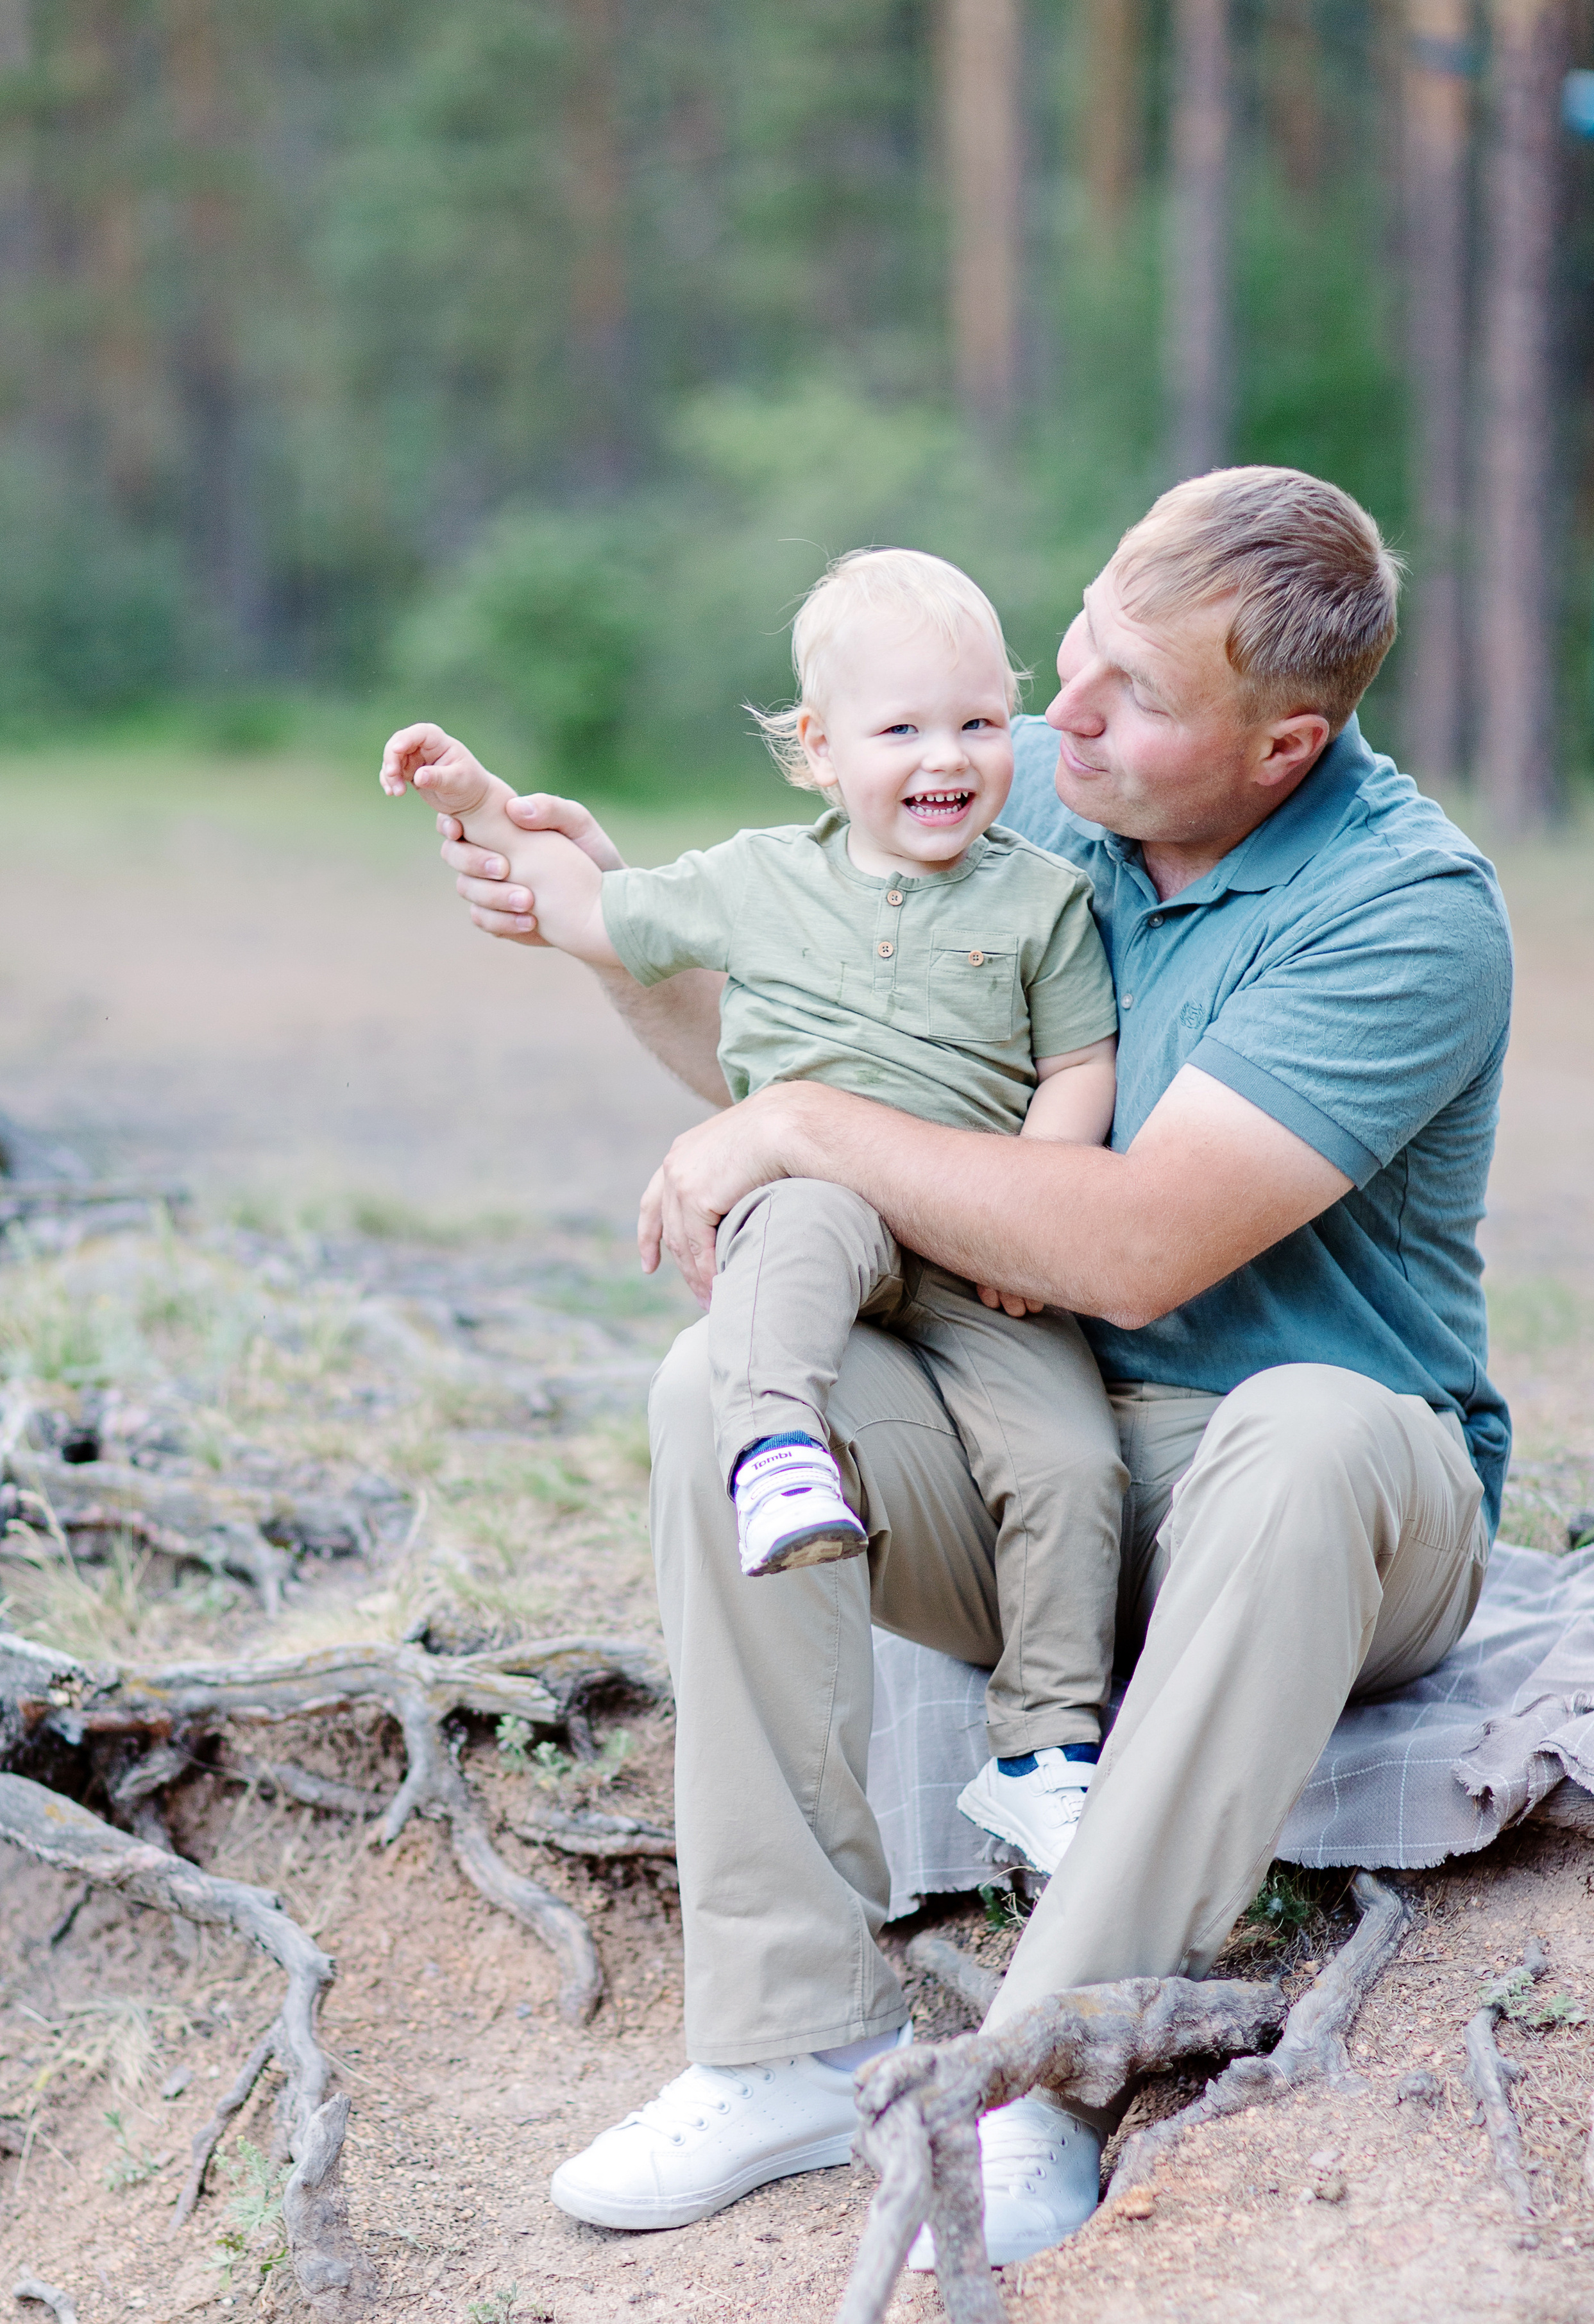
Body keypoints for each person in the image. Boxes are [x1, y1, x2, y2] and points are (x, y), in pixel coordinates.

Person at [428, 466, 1512, 2267]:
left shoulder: (1404, 913)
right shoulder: (1043, 819)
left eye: (1133, 698)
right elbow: (841, 1093)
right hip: (1042, 1460)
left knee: (1308, 1434)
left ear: (1285, 744)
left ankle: (1038, 2075)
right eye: (1069, 654)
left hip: (1331, 1504)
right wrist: (611, 922)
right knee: (724, 1388)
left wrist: (797, 1117)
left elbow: (1130, 1234)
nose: (1056, 719)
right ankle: (786, 2039)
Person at [380, 548, 1130, 1879]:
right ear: (817, 750)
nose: (941, 755)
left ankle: (1044, 1749)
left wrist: (1039, 1192)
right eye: (897, 729)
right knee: (785, 1227)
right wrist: (486, 804)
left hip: (975, 1248)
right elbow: (586, 909)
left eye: (972, 720)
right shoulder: (754, 878)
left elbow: (1076, 1065)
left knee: (1071, 1460)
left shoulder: (1042, 900)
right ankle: (774, 1448)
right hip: (828, 1202)